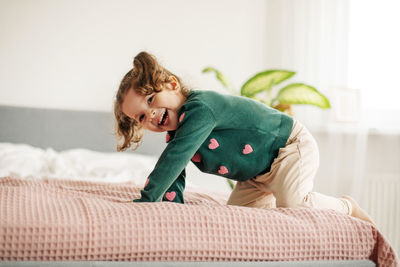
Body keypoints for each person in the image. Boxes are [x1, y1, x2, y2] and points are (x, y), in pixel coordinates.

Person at [114, 51, 375, 225]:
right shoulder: (179, 136)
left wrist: (146, 201)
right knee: (238, 220)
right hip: (255, 176)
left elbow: (173, 159)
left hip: (288, 147)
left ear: (172, 84)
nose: (150, 114)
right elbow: (175, 174)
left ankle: (346, 207)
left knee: (295, 204)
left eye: (150, 99)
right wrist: (173, 214)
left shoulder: (201, 109)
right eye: (140, 117)